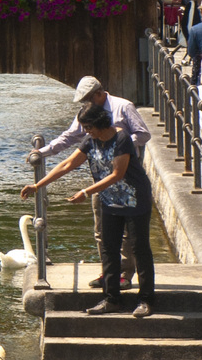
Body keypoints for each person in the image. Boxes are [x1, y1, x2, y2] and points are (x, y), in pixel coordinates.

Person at [22, 104, 155, 318]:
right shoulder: (90, 141)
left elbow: (117, 174)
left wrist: (85, 191)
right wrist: (38, 186)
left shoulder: (122, 139)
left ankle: (146, 299)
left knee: (139, 248)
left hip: (135, 200)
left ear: (101, 122)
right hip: (109, 201)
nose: (86, 131)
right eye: (84, 127)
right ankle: (112, 299)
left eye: (89, 126)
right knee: (109, 249)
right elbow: (67, 165)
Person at [31, 76, 152, 284]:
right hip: (101, 180)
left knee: (131, 237)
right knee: (101, 231)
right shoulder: (89, 131)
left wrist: (117, 144)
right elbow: (68, 146)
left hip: (127, 180)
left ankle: (125, 275)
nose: (88, 131)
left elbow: (143, 134)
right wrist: (42, 155)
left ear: (98, 93)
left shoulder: (123, 107)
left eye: (88, 99)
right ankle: (109, 273)